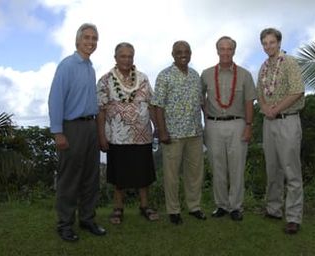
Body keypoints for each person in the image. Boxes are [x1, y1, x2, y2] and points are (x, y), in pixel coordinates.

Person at [48, 23, 106, 242]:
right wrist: (58, 132)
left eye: (94, 38)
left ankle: (88, 219)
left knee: (91, 177)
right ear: (77, 40)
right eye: (87, 38)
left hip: (90, 126)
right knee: (70, 178)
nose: (91, 42)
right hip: (71, 128)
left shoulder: (90, 68)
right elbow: (55, 99)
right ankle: (64, 224)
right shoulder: (67, 65)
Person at [96, 42, 159, 224]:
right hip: (117, 135)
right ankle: (118, 208)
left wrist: (158, 128)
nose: (127, 59)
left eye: (130, 56)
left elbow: (152, 104)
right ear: (115, 58)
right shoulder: (105, 80)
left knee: (143, 173)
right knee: (119, 175)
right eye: (123, 56)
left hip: (142, 134)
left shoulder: (143, 78)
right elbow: (100, 110)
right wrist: (101, 136)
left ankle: (145, 206)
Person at [201, 36, 256, 221]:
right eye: (222, 49)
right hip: (213, 125)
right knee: (217, 167)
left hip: (237, 124)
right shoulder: (206, 74)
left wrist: (248, 126)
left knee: (237, 167)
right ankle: (221, 205)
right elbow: (200, 97)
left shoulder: (245, 74)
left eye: (229, 49)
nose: (225, 52)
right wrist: (206, 116)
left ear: (234, 51)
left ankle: (236, 207)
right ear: (217, 51)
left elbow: (249, 102)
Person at [151, 41, 206, 225]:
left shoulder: (195, 75)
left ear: (191, 53)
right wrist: (161, 131)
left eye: (186, 51)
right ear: (173, 54)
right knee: (172, 175)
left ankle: (194, 207)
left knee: (195, 173)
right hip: (172, 134)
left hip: (195, 132)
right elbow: (157, 106)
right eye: (179, 52)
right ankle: (173, 210)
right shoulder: (164, 76)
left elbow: (201, 103)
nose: (183, 54)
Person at [257, 28, 305, 234]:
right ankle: (274, 209)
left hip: (288, 121)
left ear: (279, 42)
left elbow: (297, 91)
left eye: (272, 42)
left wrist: (276, 109)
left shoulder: (290, 63)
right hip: (269, 122)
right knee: (273, 167)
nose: (268, 46)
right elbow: (261, 93)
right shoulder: (263, 67)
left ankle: (293, 217)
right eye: (265, 43)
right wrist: (266, 107)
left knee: (291, 170)